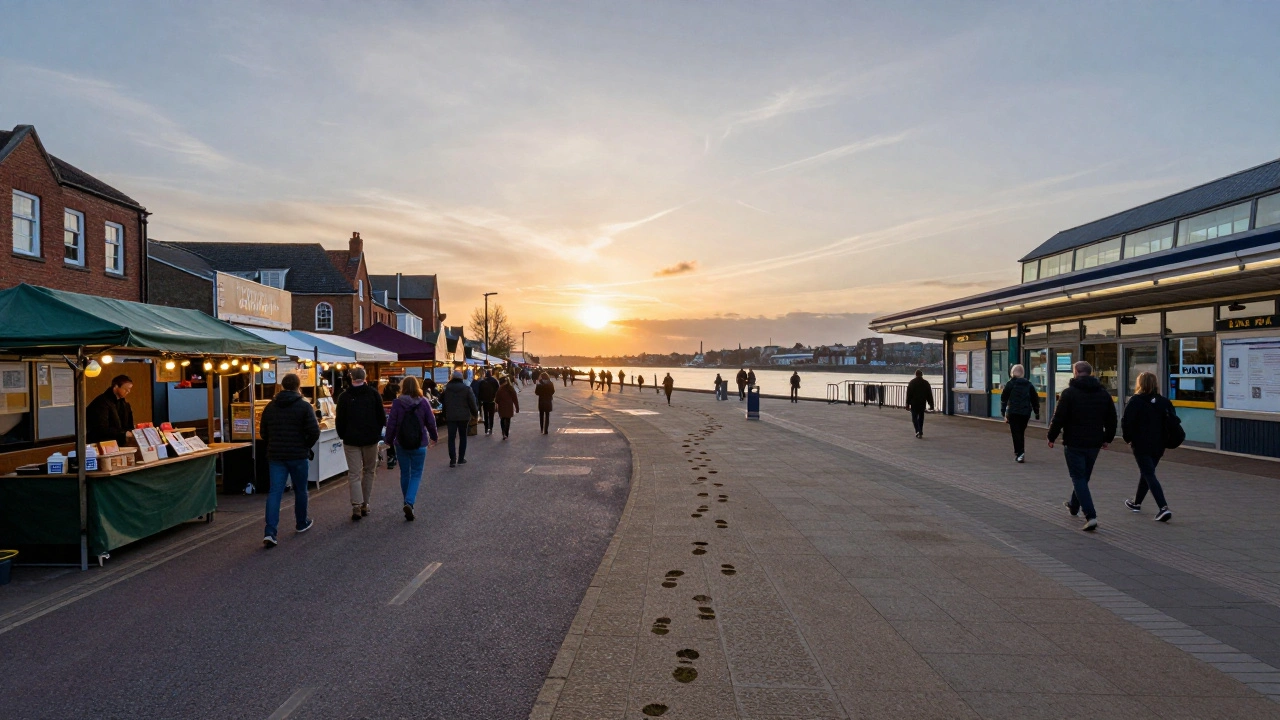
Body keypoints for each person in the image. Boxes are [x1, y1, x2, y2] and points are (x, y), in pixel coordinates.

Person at [1048, 361, 1117, 532]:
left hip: (1074, 441)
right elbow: (1111, 419)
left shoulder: (1069, 393)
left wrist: (1051, 436)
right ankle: (1073, 505)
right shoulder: (1103, 394)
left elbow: (1059, 417)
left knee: (1078, 477)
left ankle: (1090, 515)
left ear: (1076, 372)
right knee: (1083, 477)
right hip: (1094, 442)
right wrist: (1107, 438)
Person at [259, 373, 320, 547]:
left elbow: (263, 432)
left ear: (282, 386)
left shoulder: (270, 406)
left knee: (275, 492)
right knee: (300, 490)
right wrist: (305, 445)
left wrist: (273, 443)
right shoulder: (304, 406)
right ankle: (301, 522)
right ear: (298, 386)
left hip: (276, 455)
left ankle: (270, 532)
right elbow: (314, 431)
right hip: (298, 455)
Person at [1121, 371, 1174, 522]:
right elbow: (1172, 421)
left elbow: (1126, 422)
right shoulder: (1164, 402)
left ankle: (1163, 507)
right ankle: (1136, 503)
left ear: (1140, 384)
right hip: (1159, 444)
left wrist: (1128, 439)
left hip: (1141, 443)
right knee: (1147, 471)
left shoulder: (1135, 401)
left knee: (1149, 473)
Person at [384, 376, 438, 521]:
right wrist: (434, 436)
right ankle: (409, 502)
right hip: (420, 443)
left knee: (405, 473)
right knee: (416, 474)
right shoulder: (424, 402)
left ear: (403, 387)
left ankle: (407, 503)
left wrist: (388, 440)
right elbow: (431, 422)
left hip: (401, 443)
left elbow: (391, 423)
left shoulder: (397, 403)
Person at [335, 367, 385, 522]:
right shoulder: (373, 394)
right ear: (365, 378)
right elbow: (381, 417)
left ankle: (356, 504)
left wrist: (343, 435)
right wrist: (376, 433)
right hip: (370, 439)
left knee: (354, 473)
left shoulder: (344, 396)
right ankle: (365, 503)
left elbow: (339, 420)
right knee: (369, 471)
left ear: (351, 378)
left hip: (351, 440)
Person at [1000, 364, 1040, 463]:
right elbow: (1034, 399)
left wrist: (1003, 411)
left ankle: (1019, 453)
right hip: (1025, 412)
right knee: (1021, 432)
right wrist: (1036, 412)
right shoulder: (1028, 384)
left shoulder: (1010, 384)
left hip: (1013, 412)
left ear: (1012, 372)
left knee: (1016, 433)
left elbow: (1004, 398)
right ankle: (1019, 452)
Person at [440, 370, 478, 467]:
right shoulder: (467, 388)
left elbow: (441, 400)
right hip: (464, 416)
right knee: (463, 437)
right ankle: (461, 459)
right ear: (461, 378)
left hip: (450, 416)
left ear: (452, 378)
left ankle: (452, 460)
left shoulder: (447, 389)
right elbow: (472, 402)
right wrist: (475, 413)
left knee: (451, 438)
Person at [86, 374, 135, 445]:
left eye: (130, 389)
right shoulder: (101, 402)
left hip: (119, 443)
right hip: (101, 443)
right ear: (115, 387)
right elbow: (101, 428)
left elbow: (129, 425)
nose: (128, 391)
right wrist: (123, 433)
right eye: (126, 389)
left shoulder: (124, 404)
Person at [905, 370, 934, 438]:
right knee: (921, 417)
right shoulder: (926, 383)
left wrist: (907, 404)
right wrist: (931, 404)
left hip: (914, 403)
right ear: (922, 375)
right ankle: (920, 430)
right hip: (922, 402)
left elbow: (909, 394)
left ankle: (917, 430)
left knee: (914, 417)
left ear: (915, 374)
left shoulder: (912, 382)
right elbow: (929, 395)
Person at [380, 379, 401, 469]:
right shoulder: (397, 402)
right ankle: (393, 457)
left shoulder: (383, 393)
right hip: (396, 423)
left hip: (386, 421)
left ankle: (391, 457)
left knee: (389, 438)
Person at [477, 369, 500, 436]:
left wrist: (480, 400)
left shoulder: (482, 382)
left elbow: (479, 392)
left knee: (486, 415)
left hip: (485, 401)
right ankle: (491, 428)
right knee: (491, 415)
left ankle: (486, 428)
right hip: (492, 401)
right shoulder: (494, 381)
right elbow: (497, 390)